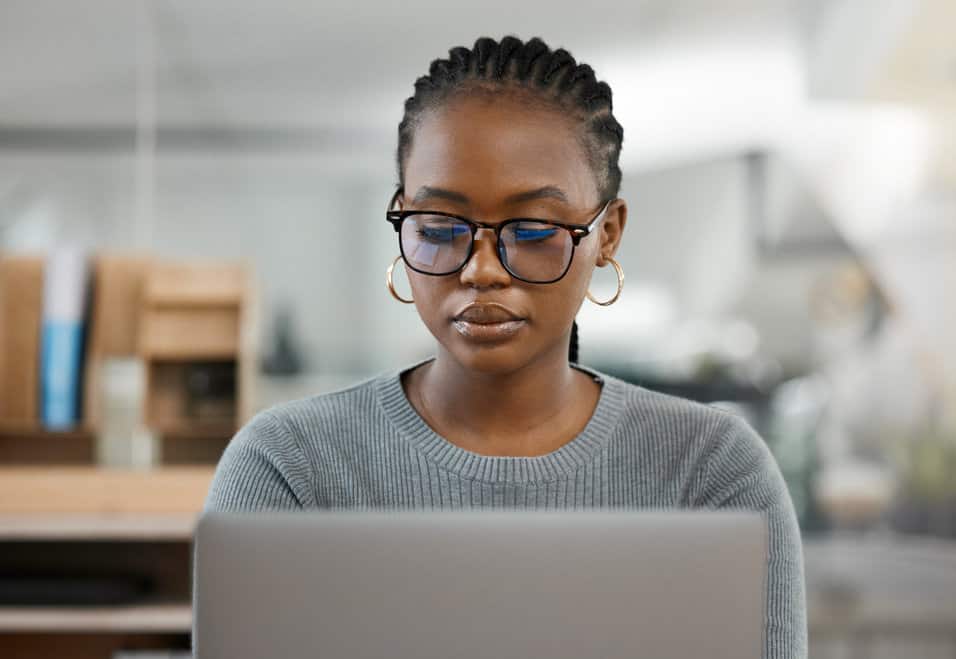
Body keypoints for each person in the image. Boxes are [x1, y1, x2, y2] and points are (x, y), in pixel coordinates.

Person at [204, 35, 807, 658]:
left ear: (608, 234)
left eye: (533, 230)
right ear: (402, 218)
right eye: (438, 229)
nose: (481, 270)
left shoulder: (711, 473)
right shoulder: (289, 468)